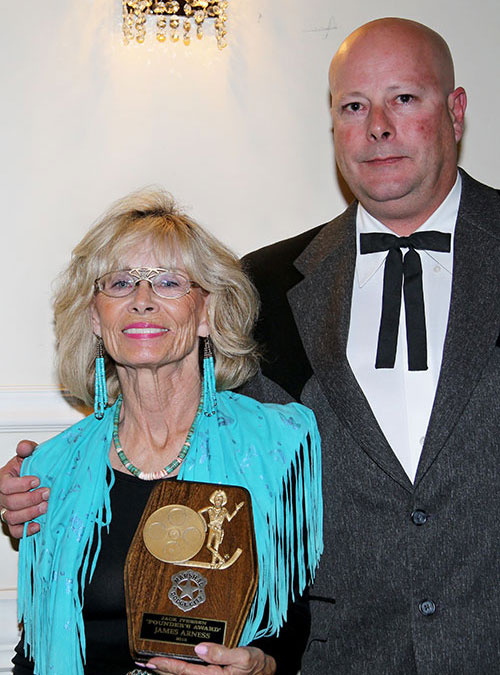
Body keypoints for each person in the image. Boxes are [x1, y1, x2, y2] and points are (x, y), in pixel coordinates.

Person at [2, 15, 500, 673]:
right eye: (354, 106)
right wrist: (35, 490)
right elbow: (178, 421)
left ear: (456, 111)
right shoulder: (265, 284)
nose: (378, 126)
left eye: (403, 98)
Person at [7, 189, 322, 675]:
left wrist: (261, 666)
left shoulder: (278, 444)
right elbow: (35, 649)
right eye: (119, 283)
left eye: (169, 282)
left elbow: (296, 618)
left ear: (207, 313)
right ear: (95, 317)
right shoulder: (49, 471)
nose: (142, 301)